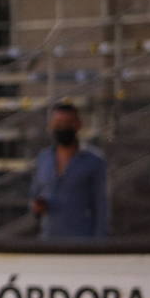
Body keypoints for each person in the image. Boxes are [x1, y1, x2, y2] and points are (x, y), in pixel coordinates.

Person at [30, 102, 109, 238]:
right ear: (51, 126)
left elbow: (101, 205)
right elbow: (34, 195)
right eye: (58, 123)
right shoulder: (44, 158)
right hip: (49, 239)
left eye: (68, 123)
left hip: (81, 240)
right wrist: (37, 207)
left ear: (77, 125)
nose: (63, 128)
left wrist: (100, 241)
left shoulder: (94, 161)